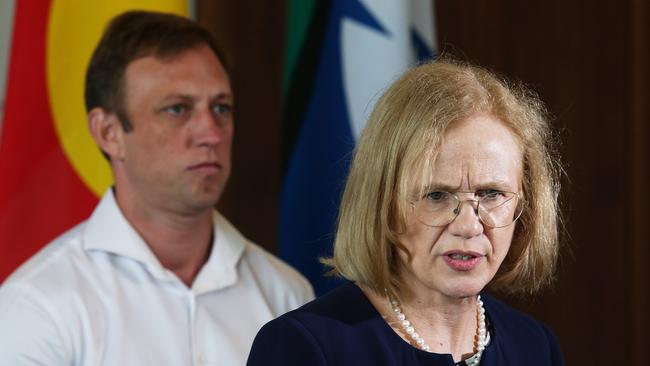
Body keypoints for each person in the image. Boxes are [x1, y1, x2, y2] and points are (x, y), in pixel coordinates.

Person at [0, 10, 313, 365]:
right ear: (109, 133)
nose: (211, 133)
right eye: (178, 109)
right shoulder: (38, 306)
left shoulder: (286, 294)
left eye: (221, 108)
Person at [247, 59, 564, 365]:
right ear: (384, 203)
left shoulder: (534, 346)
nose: (468, 226)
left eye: (492, 193)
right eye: (437, 195)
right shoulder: (303, 347)